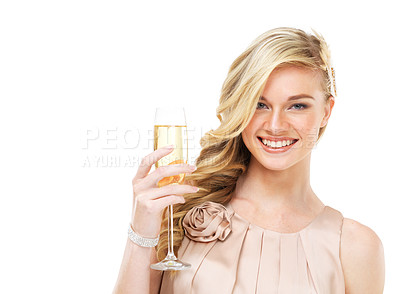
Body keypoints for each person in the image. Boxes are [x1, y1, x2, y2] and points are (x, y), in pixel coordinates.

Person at [113, 27, 385, 294]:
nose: (276, 125)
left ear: (326, 111)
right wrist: (141, 232)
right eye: (259, 104)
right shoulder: (183, 207)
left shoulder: (355, 248)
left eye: (297, 105)